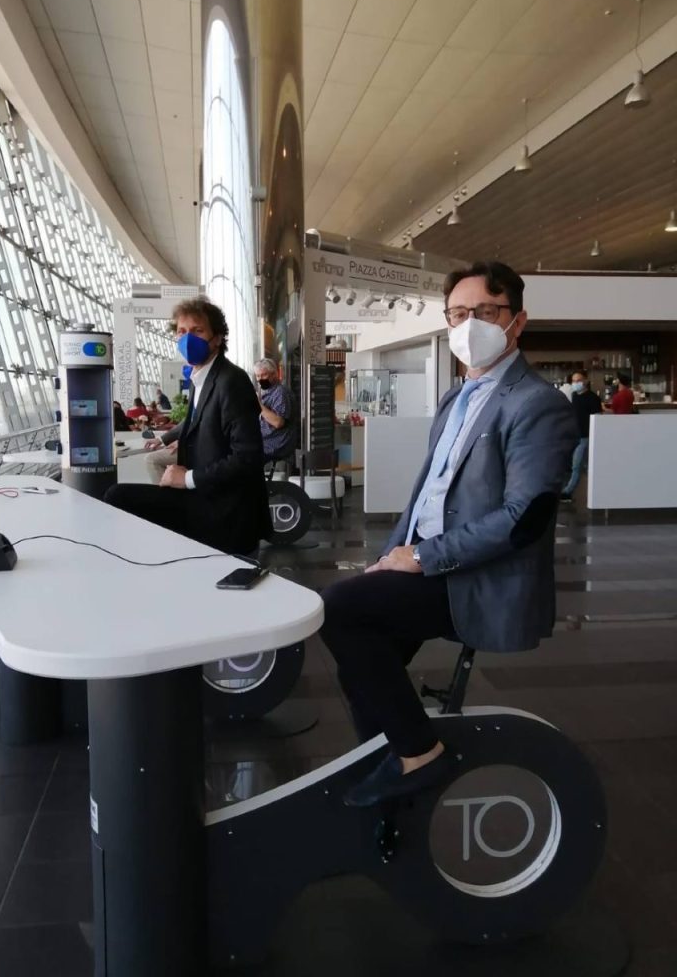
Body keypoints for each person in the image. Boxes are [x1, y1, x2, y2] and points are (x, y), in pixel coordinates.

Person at [319, 261, 577, 808]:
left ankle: (418, 754)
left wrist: (423, 559)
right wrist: (392, 555)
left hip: (473, 576)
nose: (468, 325)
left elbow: (523, 518)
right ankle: (391, 772)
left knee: (340, 609)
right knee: (361, 665)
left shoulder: (538, 405)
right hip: (427, 562)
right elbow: (426, 497)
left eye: (485, 312)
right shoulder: (455, 398)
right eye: (458, 314)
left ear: (517, 321)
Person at [104, 297, 270, 555]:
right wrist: (168, 441)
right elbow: (194, 420)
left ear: (217, 338)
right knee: (119, 497)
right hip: (204, 496)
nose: (187, 338)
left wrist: (187, 478)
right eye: (182, 332)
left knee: (118, 497)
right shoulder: (200, 378)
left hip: (223, 510)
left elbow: (248, 458)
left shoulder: (231, 381)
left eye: (197, 330)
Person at [560, 371, 602, 502]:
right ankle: (597, 492)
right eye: (573, 381)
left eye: (578, 380)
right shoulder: (574, 396)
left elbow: (598, 418)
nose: (576, 383)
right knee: (585, 466)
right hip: (576, 435)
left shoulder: (593, 398)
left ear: (585, 381)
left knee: (577, 465)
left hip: (587, 436)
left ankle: (568, 492)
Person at [254, 357, 297, 464]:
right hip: (266, 440)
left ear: (274, 374)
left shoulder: (280, 393)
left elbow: (278, 422)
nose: (260, 379)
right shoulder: (266, 391)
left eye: (264, 375)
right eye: (258, 376)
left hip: (276, 442)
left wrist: (258, 404)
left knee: (243, 455)